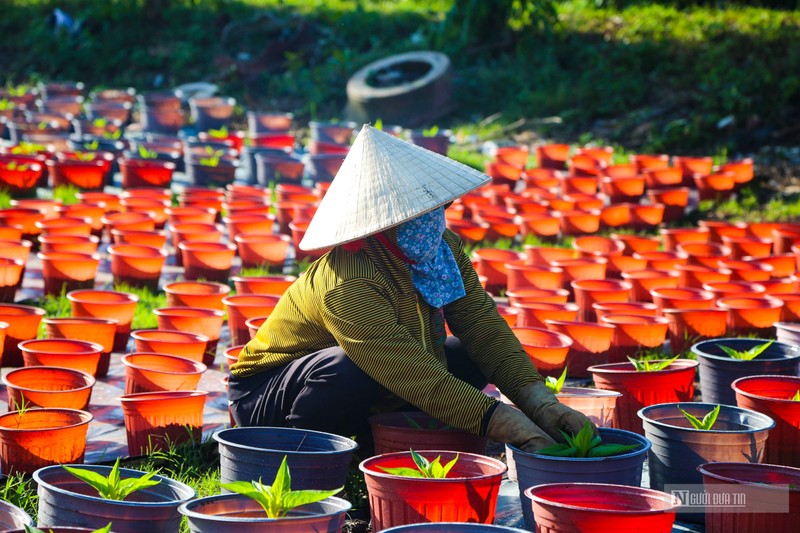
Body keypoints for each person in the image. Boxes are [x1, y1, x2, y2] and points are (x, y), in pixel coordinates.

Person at [228, 125, 594, 453]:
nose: (431, 219)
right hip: (269, 395)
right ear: (382, 222)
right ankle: (303, 454)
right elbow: (406, 369)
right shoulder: (349, 280)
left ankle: (378, 441)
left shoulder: (442, 248)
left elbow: (480, 322)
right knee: (347, 369)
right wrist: (503, 422)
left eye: (434, 206)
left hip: (382, 373)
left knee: (469, 353)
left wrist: (539, 401)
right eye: (414, 213)